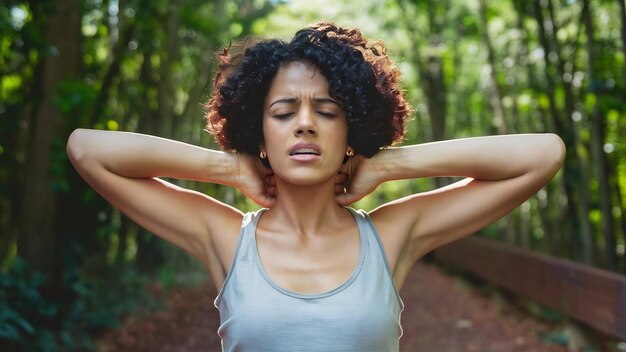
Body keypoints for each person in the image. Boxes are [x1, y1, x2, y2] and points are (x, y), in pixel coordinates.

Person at [67, 22, 565, 352]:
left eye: (328, 112)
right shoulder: (223, 236)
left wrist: (386, 166)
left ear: (353, 131)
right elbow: (87, 149)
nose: (305, 124)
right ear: (257, 132)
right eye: (283, 113)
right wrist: (230, 170)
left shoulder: (392, 235)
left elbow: (543, 155)